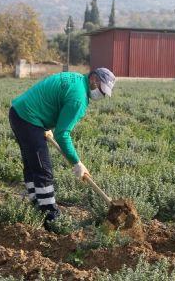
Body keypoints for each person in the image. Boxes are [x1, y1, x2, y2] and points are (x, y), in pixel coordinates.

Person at [8, 68, 116, 229]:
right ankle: (50, 217)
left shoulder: (76, 78)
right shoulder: (79, 99)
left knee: (32, 166)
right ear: (94, 79)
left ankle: (36, 204)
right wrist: (76, 162)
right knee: (43, 170)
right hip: (29, 119)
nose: (101, 94)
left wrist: (44, 120)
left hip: (19, 112)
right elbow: (62, 134)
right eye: (102, 89)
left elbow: (52, 95)